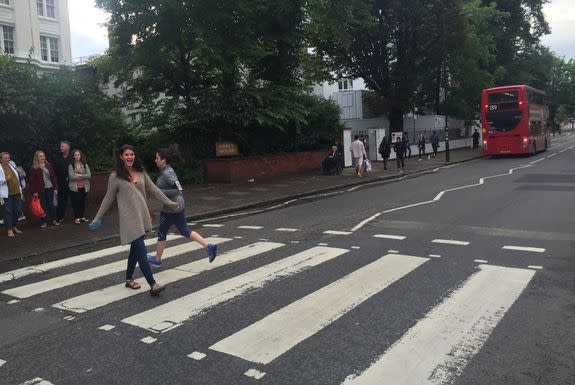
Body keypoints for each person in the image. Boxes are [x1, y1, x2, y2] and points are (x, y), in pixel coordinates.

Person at [89, 144, 180, 296]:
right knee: (141, 249)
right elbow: (108, 198)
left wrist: (170, 203)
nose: (130, 157)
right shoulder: (115, 177)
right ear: (121, 157)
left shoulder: (141, 172)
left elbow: (154, 190)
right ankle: (153, 284)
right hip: (128, 219)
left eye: (132, 154)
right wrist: (97, 218)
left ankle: (129, 279)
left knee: (135, 250)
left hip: (141, 215)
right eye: (126, 155)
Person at [147, 144, 217, 267]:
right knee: (184, 230)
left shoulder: (167, 173)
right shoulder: (166, 171)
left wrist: (159, 192)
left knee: (162, 232)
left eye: (157, 158)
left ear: (163, 160)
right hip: (177, 206)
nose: (155, 160)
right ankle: (208, 246)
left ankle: (157, 259)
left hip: (171, 207)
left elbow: (178, 189)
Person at [28, 150, 60, 229]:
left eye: (43, 156)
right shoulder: (34, 168)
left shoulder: (48, 165)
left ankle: (54, 220)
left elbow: (53, 178)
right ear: (37, 158)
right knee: (42, 206)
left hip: (50, 187)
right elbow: (32, 181)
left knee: (51, 204)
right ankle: (44, 221)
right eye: (41, 156)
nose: (43, 157)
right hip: (40, 190)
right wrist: (34, 192)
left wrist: (55, 188)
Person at [0, 152, 24, 238]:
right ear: (1, 159)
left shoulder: (12, 164)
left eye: (8, 158)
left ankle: (14, 226)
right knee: (8, 211)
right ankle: (9, 229)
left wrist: (19, 172)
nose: (7, 159)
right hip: (7, 193)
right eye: (5, 158)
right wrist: (4, 179)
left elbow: (19, 176)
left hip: (17, 191)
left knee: (17, 210)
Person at [68, 149, 91, 225]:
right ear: (73, 156)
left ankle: (81, 216)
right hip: (75, 188)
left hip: (84, 186)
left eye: (78, 155)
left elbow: (89, 175)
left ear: (81, 155)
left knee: (82, 202)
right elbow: (71, 177)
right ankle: (76, 217)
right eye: (75, 155)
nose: (77, 156)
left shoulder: (84, 164)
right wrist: (83, 176)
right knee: (76, 203)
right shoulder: (71, 165)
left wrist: (79, 175)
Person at [55, 140, 72, 223]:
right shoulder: (58, 158)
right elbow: (56, 171)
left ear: (68, 147)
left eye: (63, 146)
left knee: (75, 199)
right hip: (61, 183)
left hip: (72, 182)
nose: (61, 148)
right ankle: (59, 217)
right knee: (61, 200)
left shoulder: (72, 157)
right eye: (60, 146)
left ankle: (78, 216)